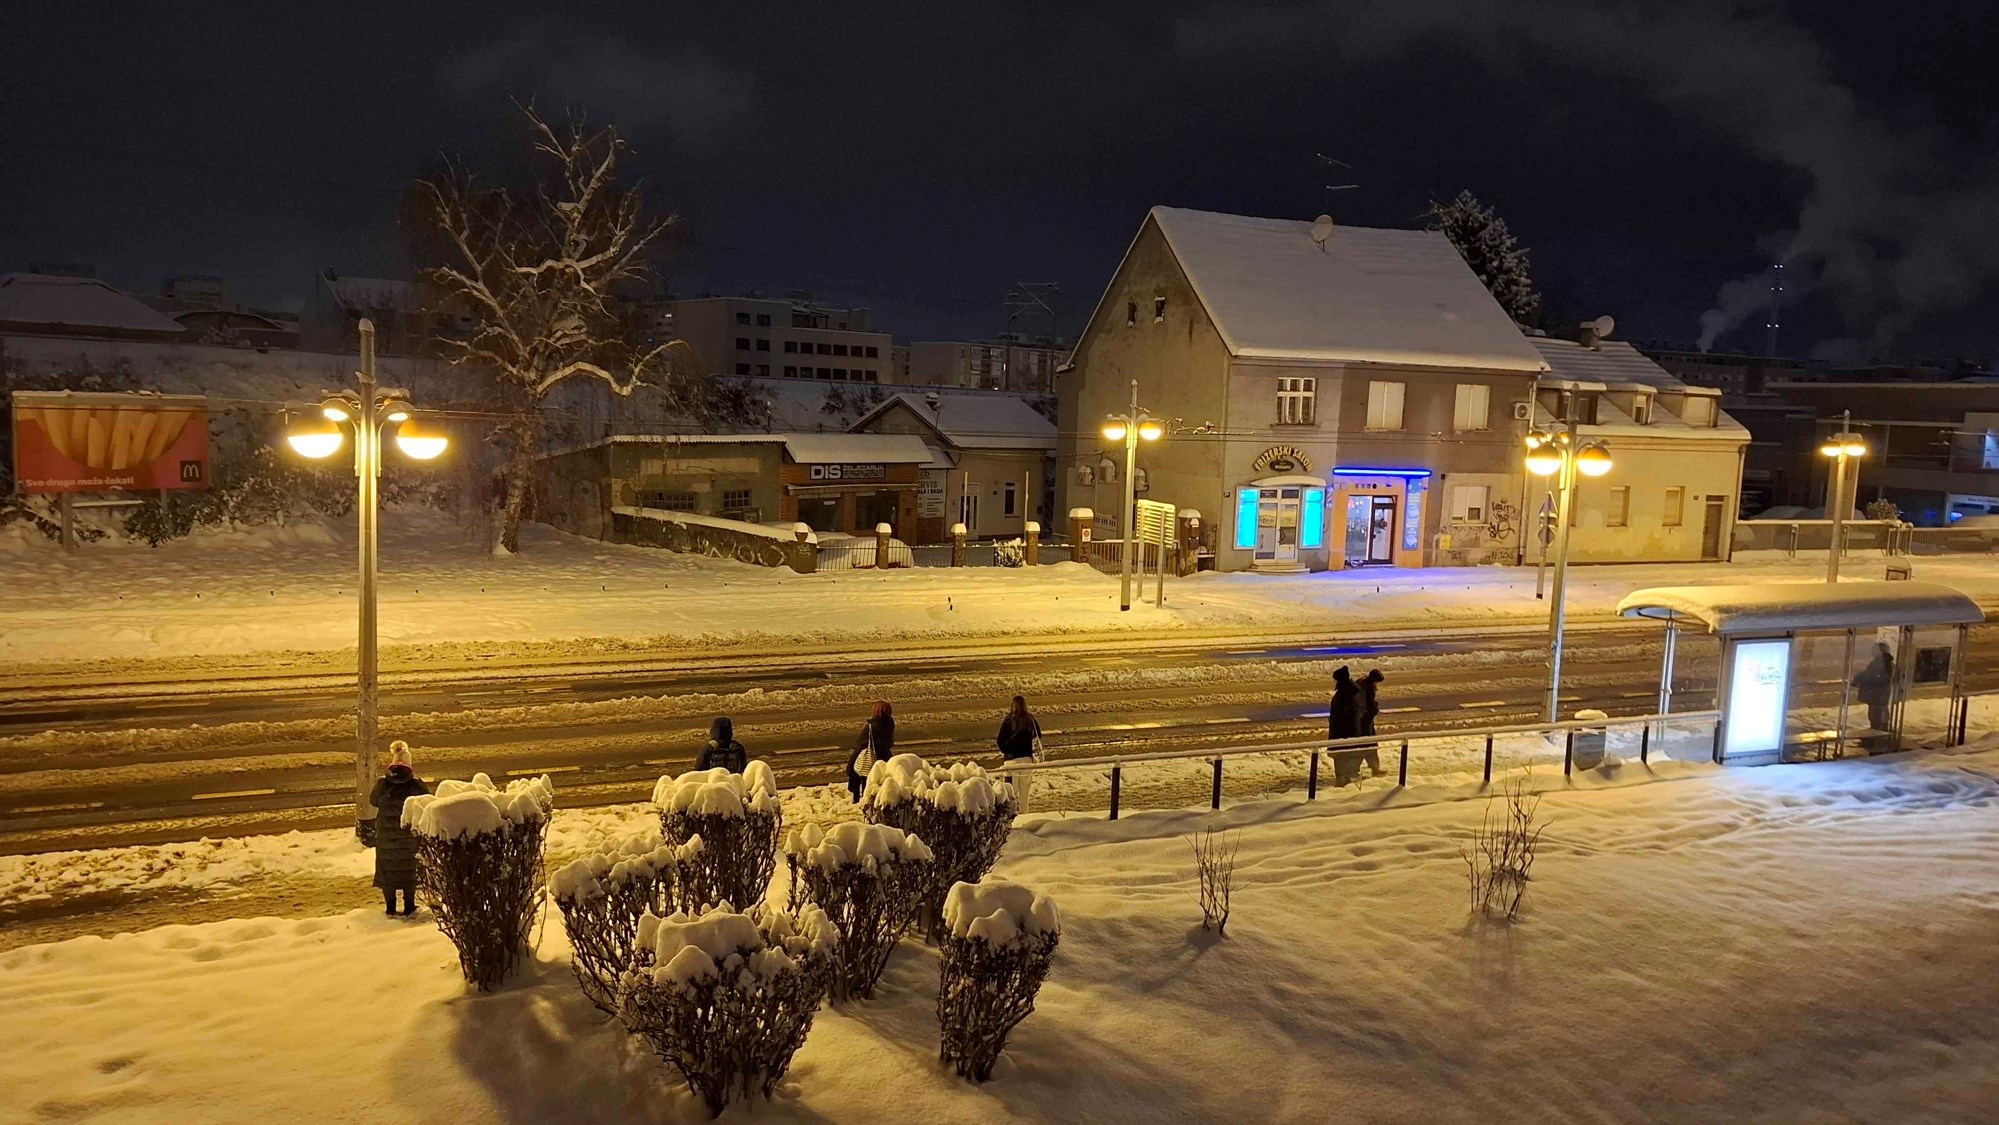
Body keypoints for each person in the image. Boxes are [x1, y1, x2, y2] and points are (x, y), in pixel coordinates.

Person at [370, 742, 431, 917]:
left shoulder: (383, 783)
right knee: (409, 869)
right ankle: (409, 906)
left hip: (386, 837)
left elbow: (373, 801)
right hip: (408, 834)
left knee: (388, 869)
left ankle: (390, 907)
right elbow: (427, 802)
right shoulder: (416, 784)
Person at [997, 695, 1043, 813]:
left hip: (1011, 762)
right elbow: (1038, 736)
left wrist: (1008, 751)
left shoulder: (1008, 720)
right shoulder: (1030, 720)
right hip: (1027, 760)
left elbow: (1000, 741)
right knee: (1024, 793)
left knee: (1012, 793)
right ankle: (1024, 815)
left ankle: (1012, 816)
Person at [847, 700, 894, 802]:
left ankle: (858, 800)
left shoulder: (872, 726)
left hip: (869, 758)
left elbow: (861, 741)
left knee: (858, 773)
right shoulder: (889, 724)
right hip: (883, 757)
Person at [1852, 642, 1896, 746]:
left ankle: (1876, 740)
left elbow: (1871, 676)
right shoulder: (1886, 663)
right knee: (1878, 717)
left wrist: (1857, 678)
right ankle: (1878, 738)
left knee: (1876, 718)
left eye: (1875, 650)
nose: (1873, 652)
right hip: (1880, 696)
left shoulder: (1880, 664)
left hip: (1877, 696)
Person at [1328, 666, 1364, 786]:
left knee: (1342, 758)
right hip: (1348, 731)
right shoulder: (1350, 691)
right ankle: (1346, 781)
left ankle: (1343, 783)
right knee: (1345, 757)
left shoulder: (1344, 693)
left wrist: (1333, 720)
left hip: (1343, 732)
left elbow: (1341, 714)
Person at [1358, 668, 1386, 775]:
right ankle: (1374, 768)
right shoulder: (1369, 689)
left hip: (1360, 720)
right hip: (1366, 722)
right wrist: (1376, 707)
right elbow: (1371, 708)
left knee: (1363, 745)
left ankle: (1371, 768)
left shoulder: (1362, 683)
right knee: (1370, 745)